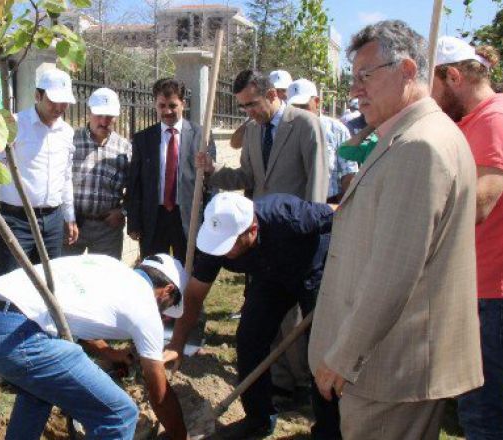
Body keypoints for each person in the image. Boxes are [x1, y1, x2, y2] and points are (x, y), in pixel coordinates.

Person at [308, 20, 483, 439]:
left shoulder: (419, 146)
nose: (355, 90)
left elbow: (394, 272)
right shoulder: (406, 137)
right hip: (391, 362)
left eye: (365, 76)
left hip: (390, 367)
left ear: (407, 70)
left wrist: (343, 356)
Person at [163, 192, 338, 438]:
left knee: (321, 352)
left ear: (252, 229)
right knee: (249, 337)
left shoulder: (288, 215)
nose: (224, 252)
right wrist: (176, 344)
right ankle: (259, 418)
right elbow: (193, 296)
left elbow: (340, 211)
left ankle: (329, 430)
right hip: (270, 278)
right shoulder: (216, 240)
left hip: (313, 271)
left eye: (231, 245)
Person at [0, 254, 189, 439]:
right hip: (15, 332)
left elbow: (69, 313)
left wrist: (108, 352)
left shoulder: (106, 264)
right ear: (168, 290)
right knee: (120, 415)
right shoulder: (146, 306)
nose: (165, 317)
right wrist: (180, 435)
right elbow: (159, 392)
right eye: (169, 307)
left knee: (37, 394)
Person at [431, 36, 503, 439]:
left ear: (453, 76)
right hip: (502, 281)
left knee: (479, 410)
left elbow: (479, 203)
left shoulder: (495, 121)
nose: (432, 100)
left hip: (496, 287)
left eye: (435, 89)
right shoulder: (495, 116)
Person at [0, 69, 79, 276]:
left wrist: (69, 216)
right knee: (12, 282)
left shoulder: (67, 132)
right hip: (17, 221)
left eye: (64, 103)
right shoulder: (14, 124)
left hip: (53, 221)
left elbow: (66, 176)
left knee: (49, 281)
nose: (59, 108)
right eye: (53, 101)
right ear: (38, 95)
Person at [197, 70, 328, 203]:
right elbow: (246, 177)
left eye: (252, 104)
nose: (249, 113)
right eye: (243, 107)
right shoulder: (251, 129)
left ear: (271, 95)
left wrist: (312, 220)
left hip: (295, 220)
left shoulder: (305, 124)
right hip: (260, 219)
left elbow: (317, 181)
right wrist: (212, 169)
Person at [126, 78, 215, 257]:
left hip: (188, 217)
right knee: (154, 272)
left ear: (183, 103)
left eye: (173, 105)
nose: (167, 111)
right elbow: (135, 184)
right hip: (154, 218)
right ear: (155, 104)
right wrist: (134, 222)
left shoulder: (201, 137)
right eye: (162, 105)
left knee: (188, 270)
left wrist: (210, 220)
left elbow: (211, 183)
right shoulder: (143, 139)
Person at [63, 87, 132, 260]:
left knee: (104, 279)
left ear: (116, 117)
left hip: (107, 229)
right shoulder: (71, 141)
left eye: (109, 117)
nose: (103, 121)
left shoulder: (125, 148)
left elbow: (137, 187)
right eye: (99, 115)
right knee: (65, 276)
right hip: (71, 225)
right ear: (89, 113)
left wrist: (123, 211)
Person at [287, 78, 359, 203]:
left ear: (317, 102)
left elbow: (349, 173)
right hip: (295, 204)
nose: (299, 113)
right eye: (294, 108)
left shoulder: (337, 130)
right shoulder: (284, 130)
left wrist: (342, 209)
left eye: (304, 107)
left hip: (328, 204)